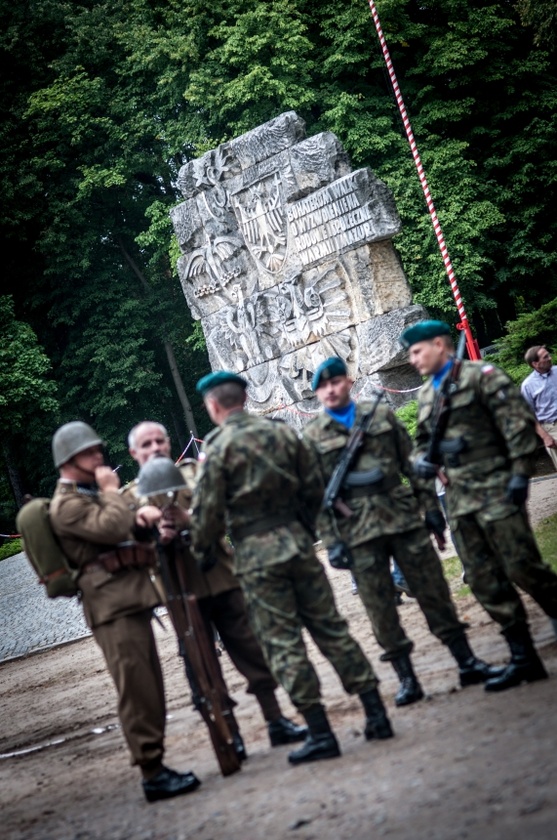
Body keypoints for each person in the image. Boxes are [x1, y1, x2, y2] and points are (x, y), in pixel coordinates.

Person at [188, 371, 394, 765]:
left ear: (214, 406)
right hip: (299, 546)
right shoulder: (283, 434)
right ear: (245, 399)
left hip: (256, 558)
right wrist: (317, 535)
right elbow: (315, 490)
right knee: (331, 629)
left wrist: (202, 551)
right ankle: (376, 713)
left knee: (284, 644)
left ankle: (320, 732)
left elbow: (208, 513)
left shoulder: (216, 448)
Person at [302, 357, 498, 706]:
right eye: (322, 386)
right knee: (380, 609)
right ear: (317, 393)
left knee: (433, 591)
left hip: (403, 519)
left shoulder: (379, 416)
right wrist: (333, 543)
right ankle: (407, 679)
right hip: (358, 532)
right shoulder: (313, 437)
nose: (330, 391)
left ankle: (467, 661)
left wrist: (431, 509)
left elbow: (411, 464)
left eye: (335, 382)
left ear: (347, 382)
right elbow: (317, 496)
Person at [124, 420, 307, 760]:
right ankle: (229, 734)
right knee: (201, 663)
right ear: (134, 453)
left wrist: (191, 518)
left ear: (168, 443)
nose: (155, 449)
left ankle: (276, 719)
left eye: (159, 441)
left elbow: (226, 514)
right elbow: (128, 545)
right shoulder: (130, 497)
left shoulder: (197, 474)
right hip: (178, 590)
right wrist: (155, 535)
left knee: (252, 646)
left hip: (222, 577)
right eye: (146, 445)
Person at [48, 421, 200, 803]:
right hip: (110, 607)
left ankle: (158, 764)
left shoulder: (88, 494)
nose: (99, 456)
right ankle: (152, 772)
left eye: (98, 449)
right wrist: (113, 492)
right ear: (68, 460)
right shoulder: (65, 504)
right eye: (89, 452)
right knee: (136, 690)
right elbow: (112, 527)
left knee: (150, 686)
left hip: (130, 598)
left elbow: (124, 526)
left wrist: (143, 521)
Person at [401, 320, 557, 691]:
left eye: (417, 350)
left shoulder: (481, 376)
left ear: (440, 344)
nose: (413, 359)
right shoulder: (426, 396)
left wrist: (519, 474)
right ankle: (524, 657)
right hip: (459, 499)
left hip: (497, 488)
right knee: (484, 579)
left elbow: (518, 426)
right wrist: (423, 461)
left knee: (522, 565)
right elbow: (422, 442)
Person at [521, 345, 557, 471]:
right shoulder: (528, 386)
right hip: (552, 429)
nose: (550, 358)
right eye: (545, 357)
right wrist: (545, 437)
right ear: (535, 363)